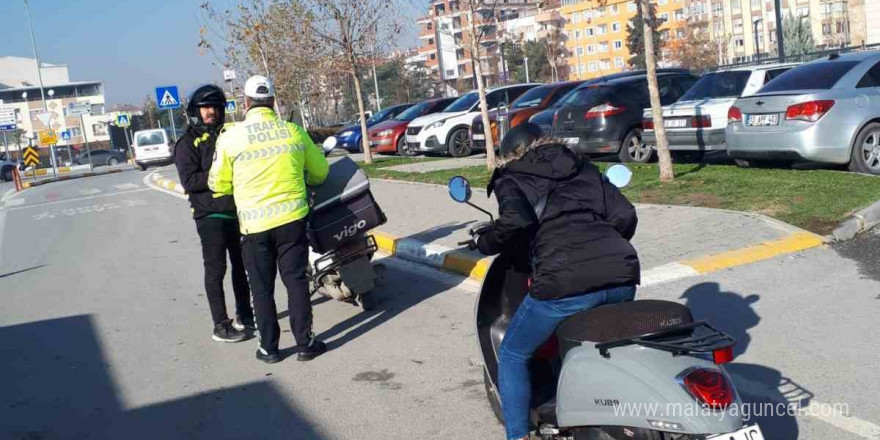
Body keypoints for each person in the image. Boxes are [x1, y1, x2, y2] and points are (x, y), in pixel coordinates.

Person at [475, 123, 641, 440]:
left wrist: (486, 242)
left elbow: (515, 221)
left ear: (510, 153)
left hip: (563, 282)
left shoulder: (510, 175)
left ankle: (518, 435)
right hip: (622, 275)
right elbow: (625, 216)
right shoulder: (583, 167)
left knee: (512, 353)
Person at [209, 75, 330, 364]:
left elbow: (217, 184)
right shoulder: (293, 132)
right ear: (273, 102)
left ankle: (270, 348)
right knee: (296, 282)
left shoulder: (230, 138)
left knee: (262, 288)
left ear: (246, 103)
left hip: (254, 227)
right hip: (292, 222)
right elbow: (320, 173)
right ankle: (305, 343)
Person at [174, 83, 254, 343]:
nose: (211, 112)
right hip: (210, 216)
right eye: (206, 108)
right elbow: (191, 181)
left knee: (242, 267)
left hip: (237, 212)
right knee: (216, 269)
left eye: (215, 107)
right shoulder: (187, 143)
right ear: (196, 111)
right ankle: (221, 325)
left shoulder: (229, 135)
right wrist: (221, 175)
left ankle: (245, 314)